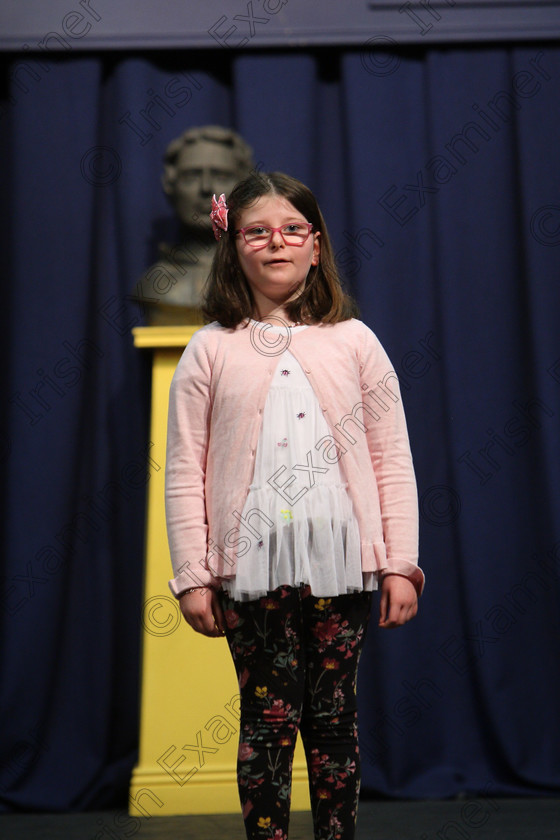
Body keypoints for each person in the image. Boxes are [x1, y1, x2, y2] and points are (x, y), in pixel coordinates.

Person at [165, 171, 424, 840]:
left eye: (292, 230)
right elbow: (184, 470)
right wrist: (194, 574)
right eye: (257, 231)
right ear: (234, 245)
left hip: (342, 563)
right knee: (268, 718)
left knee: (334, 718)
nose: (276, 244)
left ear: (316, 244)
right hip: (249, 565)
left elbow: (392, 457)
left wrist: (400, 562)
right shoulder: (210, 350)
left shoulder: (356, 342)